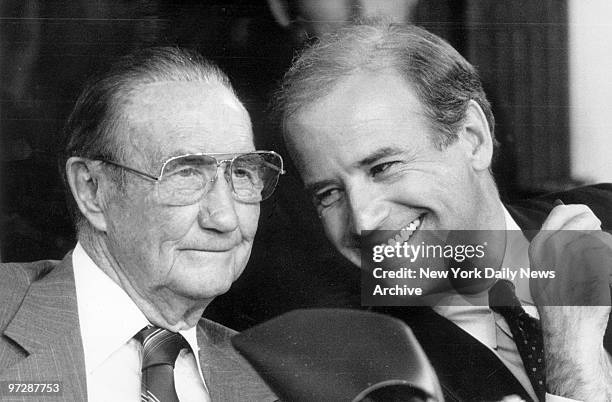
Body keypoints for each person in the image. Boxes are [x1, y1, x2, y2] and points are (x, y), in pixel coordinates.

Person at [275, 21, 612, 401]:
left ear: (473, 138)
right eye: (329, 193)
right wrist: (573, 362)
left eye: (383, 167)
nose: (363, 220)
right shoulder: (356, 379)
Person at [0, 47, 282, 401]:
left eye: (242, 171)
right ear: (92, 190)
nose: (225, 218)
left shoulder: (274, 382)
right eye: (187, 173)